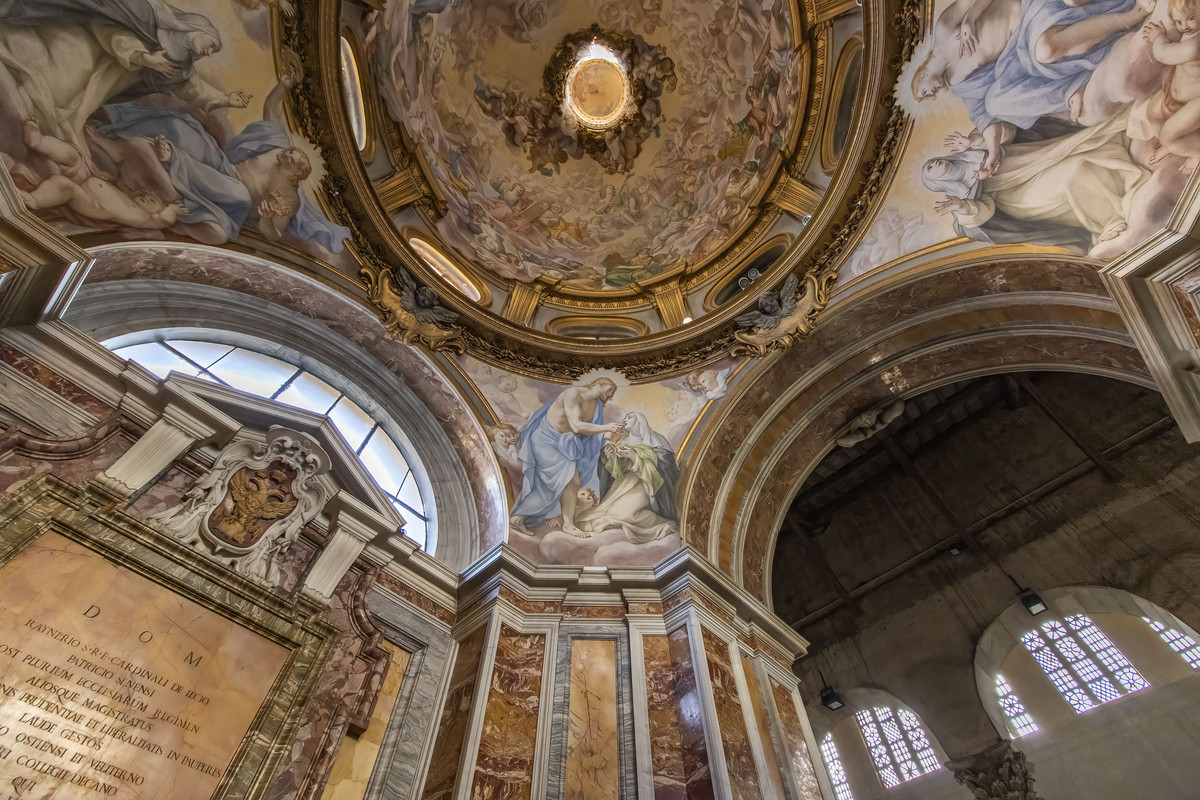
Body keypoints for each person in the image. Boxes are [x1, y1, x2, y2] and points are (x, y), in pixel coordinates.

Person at [923, 114, 1148, 252]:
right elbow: (983, 212)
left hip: (1034, 158)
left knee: (1094, 145)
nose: (935, 164)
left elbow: (1007, 130)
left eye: (931, 162)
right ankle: (1109, 221)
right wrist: (962, 207)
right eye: (930, 169)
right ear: (937, 182)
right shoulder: (961, 193)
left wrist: (973, 140)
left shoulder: (971, 149)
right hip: (1019, 195)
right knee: (1075, 173)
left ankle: (1124, 177)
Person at [509, 378, 623, 538]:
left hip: (565, 444)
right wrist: (606, 427)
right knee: (556, 483)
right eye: (609, 390)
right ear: (598, 385)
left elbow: (585, 434)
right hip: (546, 440)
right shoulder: (572, 394)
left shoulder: (596, 406)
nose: (610, 395)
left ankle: (521, 518)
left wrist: (605, 435)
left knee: (568, 482)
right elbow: (576, 426)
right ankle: (562, 523)